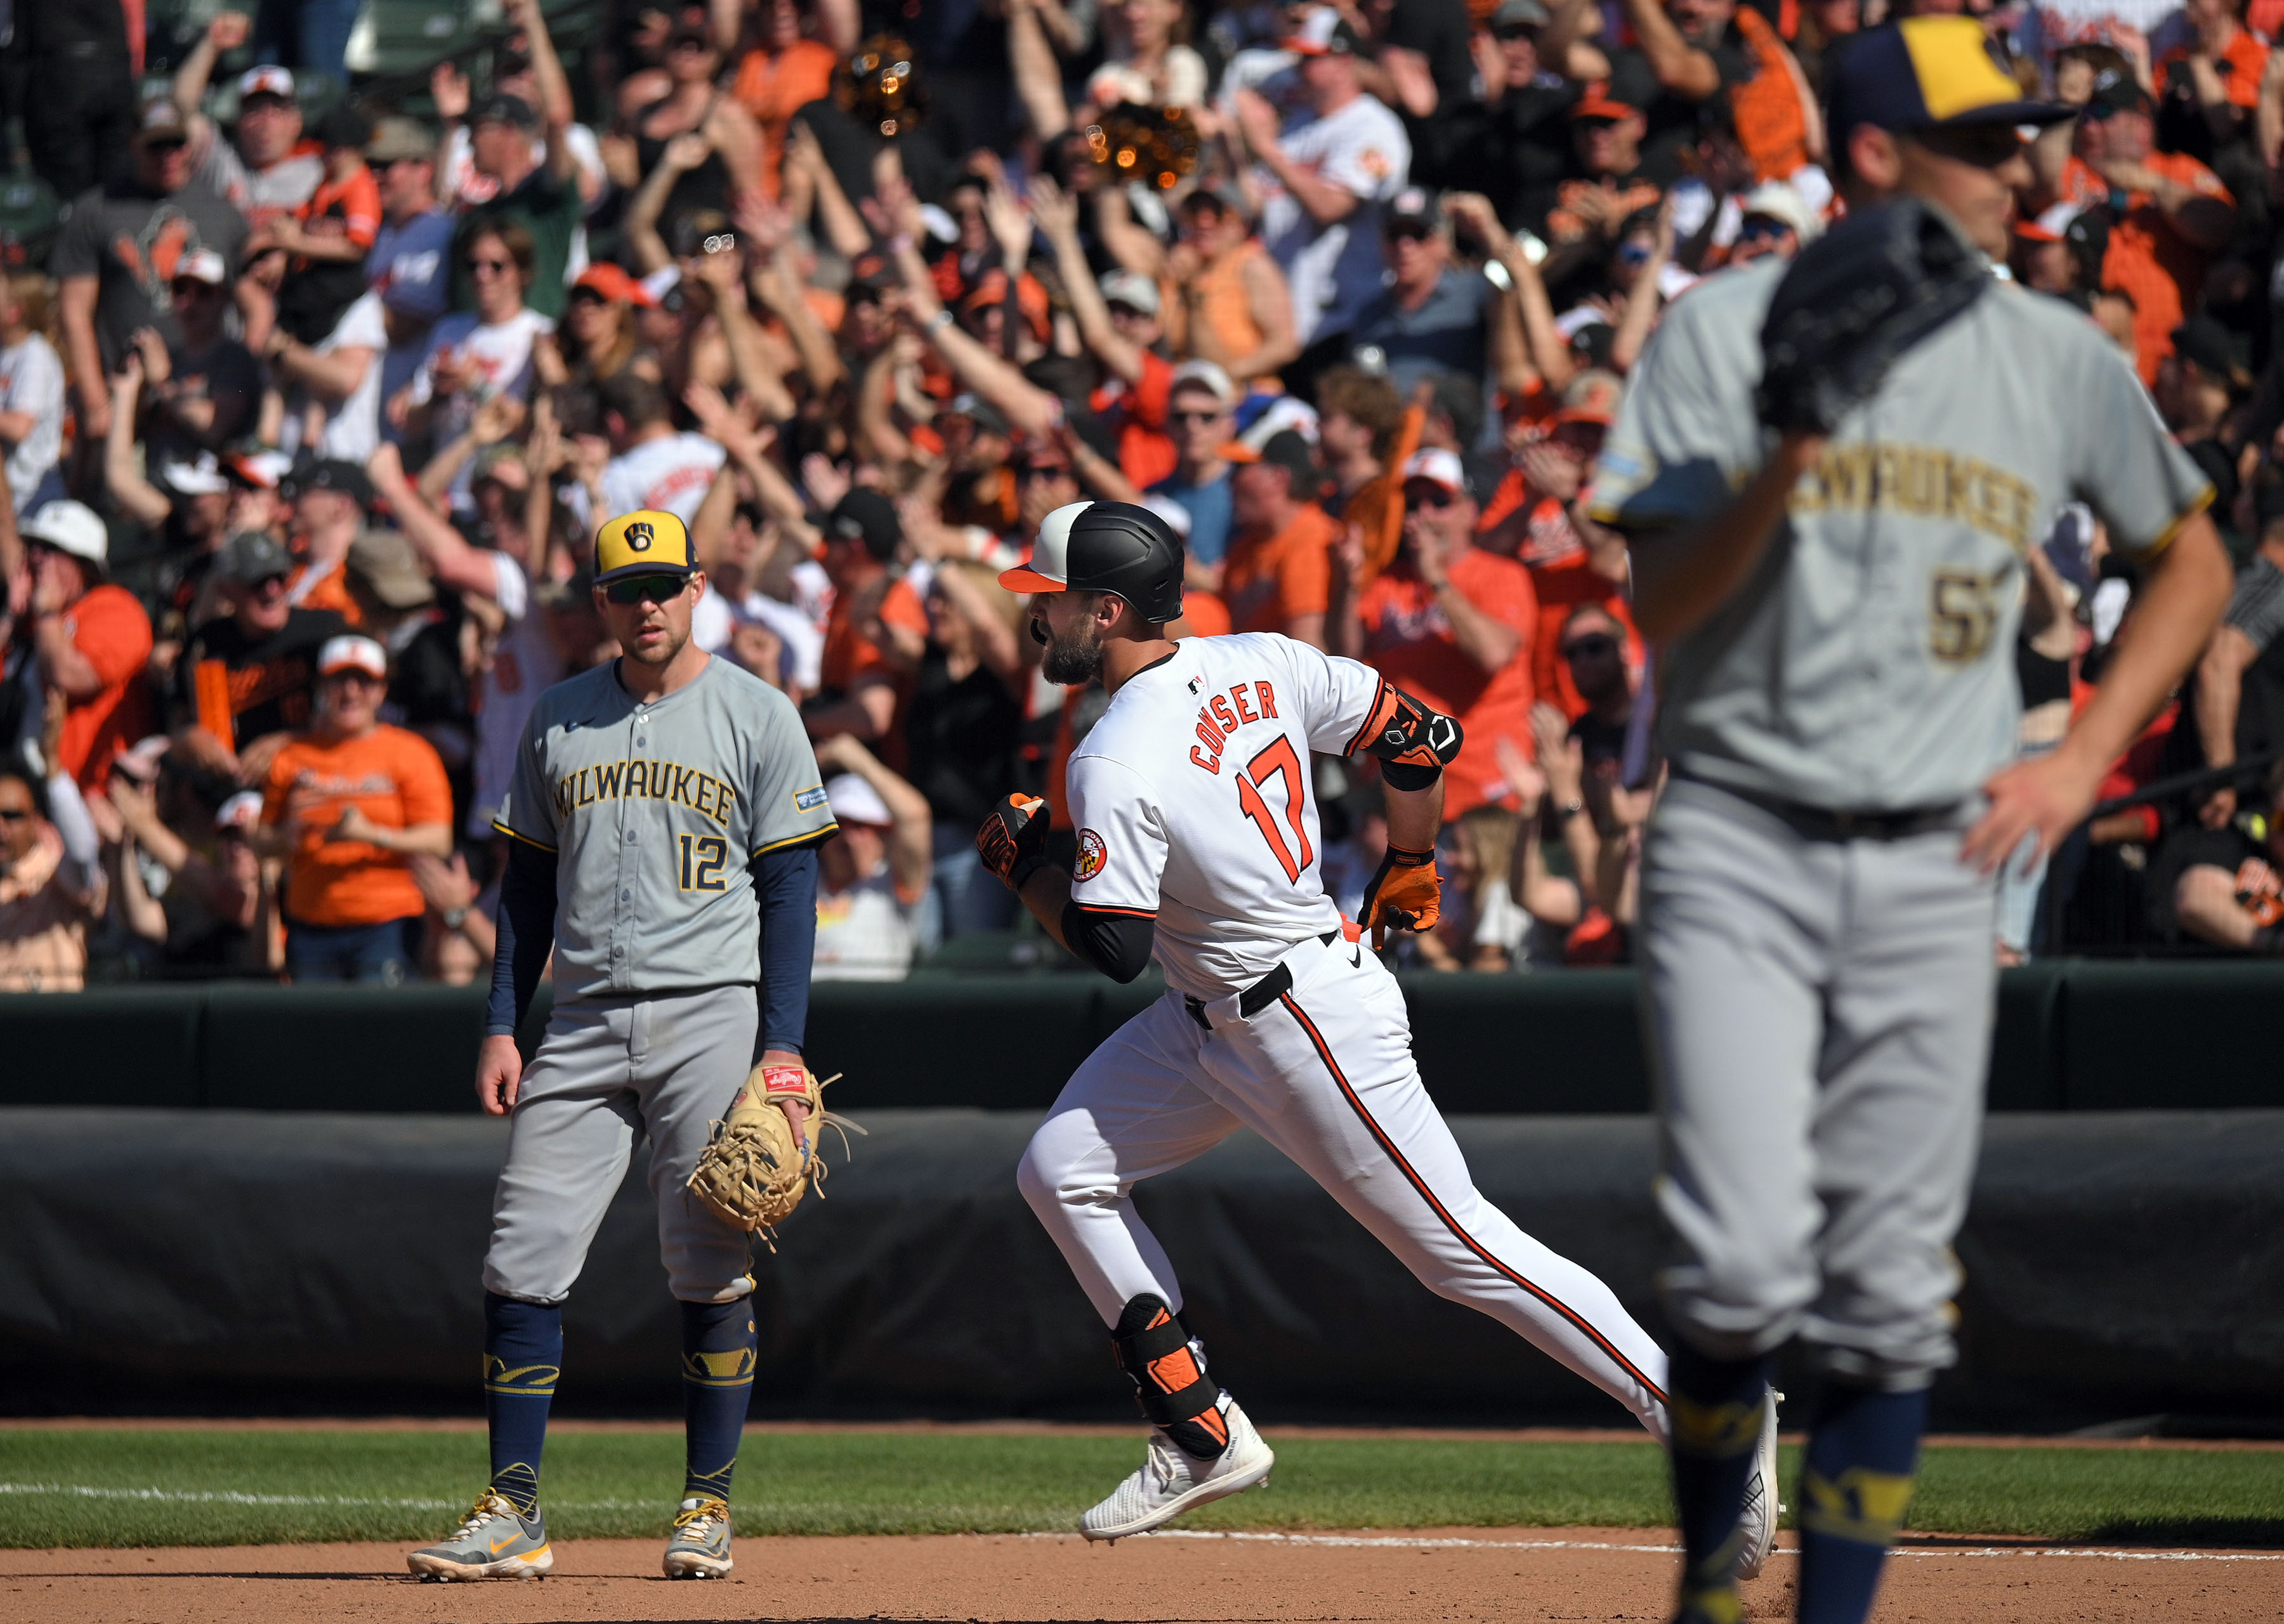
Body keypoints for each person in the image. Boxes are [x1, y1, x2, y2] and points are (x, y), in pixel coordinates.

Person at [1586, 22, 2236, 1624]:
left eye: (2029, 136)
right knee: (1736, 1268)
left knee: (1884, 1303)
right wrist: (1795, 435)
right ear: (1876, 155)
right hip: (1740, 829)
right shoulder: (1728, 329)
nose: (2028, 165)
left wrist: (2080, 760)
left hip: (1940, 851)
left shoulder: (2056, 352)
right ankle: (1710, 1582)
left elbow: (2195, 564)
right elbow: (1659, 602)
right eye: (1991, 139)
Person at [982, 501, 1773, 1546]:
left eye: (1055, 605)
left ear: (1111, 608)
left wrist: (1028, 866)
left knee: (1463, 1252)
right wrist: (1413, 858)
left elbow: (1110, 948)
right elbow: (1416, 736)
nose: (1042, 625)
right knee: (1060, 1170)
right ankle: (1200, 1431)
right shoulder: (1263, 658)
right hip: (1213, 1011)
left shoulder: (1115, 752)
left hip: (1295, 1019)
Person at [409, 509, 835, 1581]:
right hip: (585, 1016)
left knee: (709, 1259)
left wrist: (782, 1051)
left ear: (698, 588)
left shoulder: (758, 712)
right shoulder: (556, 719)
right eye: (623, 589)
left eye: (663, 585)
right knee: (522, 1255)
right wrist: (505, 1021)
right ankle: (512, 1512)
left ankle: (708, 1505)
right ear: (598, 602)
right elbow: (526, 895)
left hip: (710, 1010)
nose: (646, 606)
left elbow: (791, 893)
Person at [1341, 450, 1537, 818]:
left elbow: (1493, 654)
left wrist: (1436, 578)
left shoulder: (1500, 575)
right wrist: (1350, 586)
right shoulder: (1387, 584)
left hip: (1483, 796)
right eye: (1413, 504)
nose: (1424, 514)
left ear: (1469, 511)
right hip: (1402, 801)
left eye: (1440, 502)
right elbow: (1346, 665)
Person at [52, 97, 250, 447]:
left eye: (177, 144)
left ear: (190, 145)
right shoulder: (97, 210)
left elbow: (254, 303)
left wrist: (238, 380)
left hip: (202, 391)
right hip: (127, 388)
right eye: (156, 146)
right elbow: (74, 311)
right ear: (134, 145)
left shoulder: (223, 214)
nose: (168, 155)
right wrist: (96, 400)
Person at [257, 635, 454, 982]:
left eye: (363, 681)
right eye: (338, 680)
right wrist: (286, 836)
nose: (350, 692)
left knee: (383, 1029)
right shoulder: (292, 756)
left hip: (388, 922)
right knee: (315, 1031)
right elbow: (261, 840)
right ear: (321, 688)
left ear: (381, 690)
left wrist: (370, 834)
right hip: (311, 923)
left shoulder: (411, 752)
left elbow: (439, 840)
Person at [1231, 10, 1412, 382]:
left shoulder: (1375, 128)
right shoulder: (1299, 124)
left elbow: (1330, 206)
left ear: (1345, 62)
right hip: (1287, 318)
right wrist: (1235, 145)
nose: (1300, 69)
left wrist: (1267, 149)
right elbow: (1258, 203)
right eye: (1299, 59)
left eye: (1312, 60)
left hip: (1343, 319)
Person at [171, 530, 346, 789]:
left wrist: (288, 742)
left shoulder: (325, 629)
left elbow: (358, 719)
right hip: (231, 782)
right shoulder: (207, 644)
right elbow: (177, 724)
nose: (272, 590)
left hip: (314, 772)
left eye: (279, 578)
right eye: (257, 581)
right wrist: (191, 739)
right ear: (226, 590)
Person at [21, 501, 155, 794]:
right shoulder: (34, 619)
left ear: (82, 561)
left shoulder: (117, 608)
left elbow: (72, 677)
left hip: (96, 795)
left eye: (49, 548)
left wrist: (46, 613)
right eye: (33, 546)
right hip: (38, 798)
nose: (36, 557)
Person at [0, 694, 105, 992]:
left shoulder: (54, 875)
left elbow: (83, 854)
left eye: (12, 816)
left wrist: (53, 765)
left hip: (51, 1029)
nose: (1, 828)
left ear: (38, 821)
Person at [811, 731, 934, 978]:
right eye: (838, 824)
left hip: (875, 1013)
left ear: (885, 836)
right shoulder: (802, 879)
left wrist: (858, 761)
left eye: (861, 826)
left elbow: (915, 819)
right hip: (809, 1013)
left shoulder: (893, 884)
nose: (847, 836)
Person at [1221, 431, 1339, 643]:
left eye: (1241, 469)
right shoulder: (1244, 547)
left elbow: (1307, 653)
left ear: (1278, 478)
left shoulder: (1311, 538)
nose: (1230, 480)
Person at [1147, 361, 1244, 584]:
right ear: (1167, 423)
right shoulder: (1153, 495)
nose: (1192, 426)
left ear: (1230, 424)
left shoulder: (1247, 493)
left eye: (1207, 417)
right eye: (1181, 416)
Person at [0, 275, 66, 513]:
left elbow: (20, 427)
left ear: (14, 312)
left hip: (36, 491)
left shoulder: (34, 357)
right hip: (12, 494)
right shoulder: (5, 352)